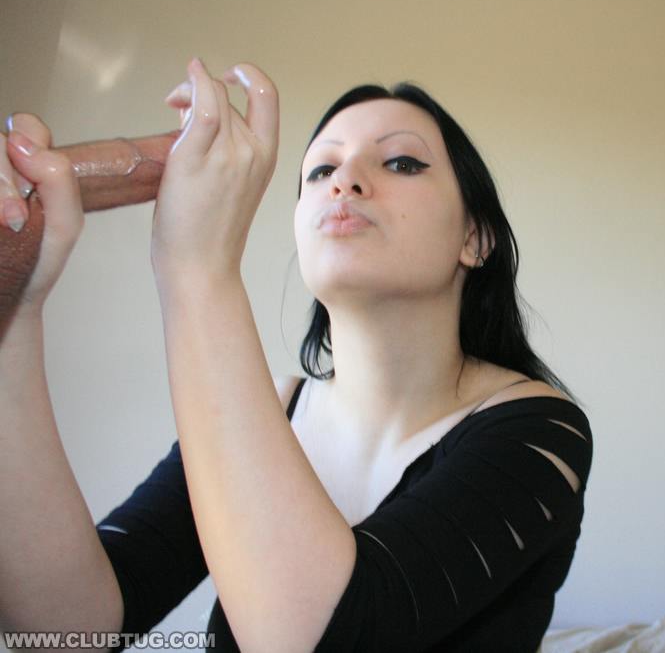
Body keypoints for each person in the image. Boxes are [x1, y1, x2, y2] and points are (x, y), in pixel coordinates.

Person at [0, 59, 593, 652]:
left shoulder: (541, 430)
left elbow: (317, 637)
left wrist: (198, 267)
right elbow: (67, 632)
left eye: (401, 162)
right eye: (321, 169)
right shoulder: (274, 412)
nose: (345, 181)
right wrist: (13, 310)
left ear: (475, 238)